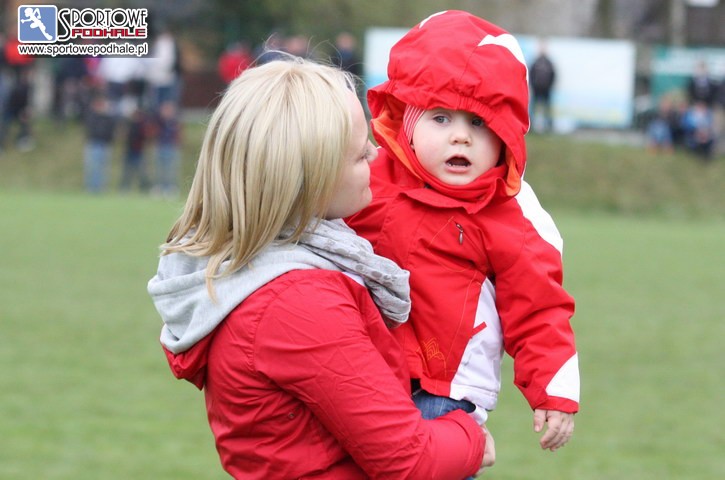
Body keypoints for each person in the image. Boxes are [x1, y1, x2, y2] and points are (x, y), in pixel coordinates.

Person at [148, 57, 493, 479]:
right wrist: (471, 437)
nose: (376, 155)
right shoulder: (298, 303)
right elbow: (410, 459)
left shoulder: (266, 274)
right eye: (359, 154)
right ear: (311, 176)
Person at [346, 10, 579, 458]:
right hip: (362, 371)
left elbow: (539, 307)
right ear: (406, 120)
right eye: (440, 118)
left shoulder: (512, 213)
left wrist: (554, 390)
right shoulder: (368, 177)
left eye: (479, 122)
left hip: (444, 391)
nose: (461, 137)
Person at [83, 93, 116, 193]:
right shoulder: (92, 116)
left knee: (103, 168)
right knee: (93, 167)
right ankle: (91, 188)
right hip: (94, 143)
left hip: (105, 144)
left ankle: (100, 188)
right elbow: (91, 128)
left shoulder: (108, 118)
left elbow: (111, 129)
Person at [529, 40, 557, 133]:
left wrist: (549, 86)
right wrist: (533, 85)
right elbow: (531, 74)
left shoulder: (549, 62)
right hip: (536, 89)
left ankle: (549, 127)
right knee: (533, 109)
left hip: (546, 90)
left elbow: (553, 75)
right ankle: (531, 126)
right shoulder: (536, 61)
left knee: (547, 109)